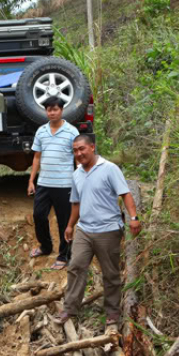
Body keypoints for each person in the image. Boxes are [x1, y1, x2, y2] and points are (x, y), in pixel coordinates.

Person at [54, 134, 142, 331]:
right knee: (75, 267)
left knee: (110, 273)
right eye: (75, 150)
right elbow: (76, 203)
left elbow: (125, 194)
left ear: (92, 147)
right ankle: (70, 309)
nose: (79, 153)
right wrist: (69, 226)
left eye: (82, 149)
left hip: (108, 230)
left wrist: (134, 218)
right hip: (84, 229)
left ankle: (112, 313)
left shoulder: (109, 169)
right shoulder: (76, 173)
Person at [27, 96, 79, 270]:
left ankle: (64, 255)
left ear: (61, 110)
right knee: (38, 215)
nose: (52, 112)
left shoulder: (72, 131)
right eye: (49, 109)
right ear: (46, 111)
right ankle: (45, 246)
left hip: (64, 185)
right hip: (44, 183)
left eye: (55, 109)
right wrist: (31, 180)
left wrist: (80, 180)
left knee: (64, 221)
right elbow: (36, 157)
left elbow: (78, 158)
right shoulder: (41, 131)